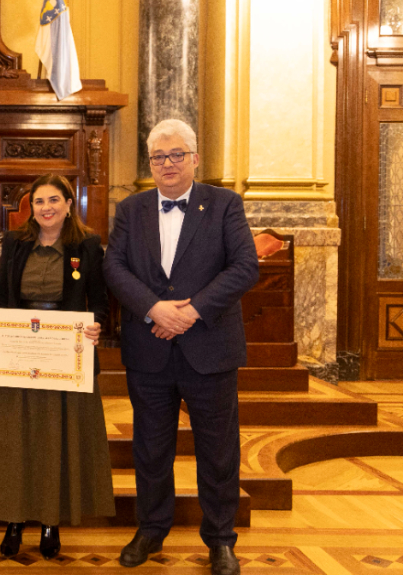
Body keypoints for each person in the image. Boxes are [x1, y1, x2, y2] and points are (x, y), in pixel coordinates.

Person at [102, 118, 258, 575]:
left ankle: (220, 539)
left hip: (209, 347)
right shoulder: (131, 210)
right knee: (151, 448)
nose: (167, 164)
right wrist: (155, 308)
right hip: (149, 349)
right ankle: (151, 529)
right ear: (149, 163)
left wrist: (190, 312)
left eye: (175, 155)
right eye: (158, 157)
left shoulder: (225, 204)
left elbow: (245, 266)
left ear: (194, 159)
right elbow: (114, 269)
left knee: (218, 448)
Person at [0, 174, 115, 560]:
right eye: (39, 202)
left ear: (69, 204)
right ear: (30, 207)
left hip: (65, 356)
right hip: (19, 353)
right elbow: (3, 294)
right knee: (15, 438)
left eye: (54, 200)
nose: (46, 208)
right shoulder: (16, 242)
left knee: (57, 439)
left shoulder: (86, 244)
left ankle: (52, 521)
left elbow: (100, 300)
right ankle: (14, 519)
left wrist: (96, 324)